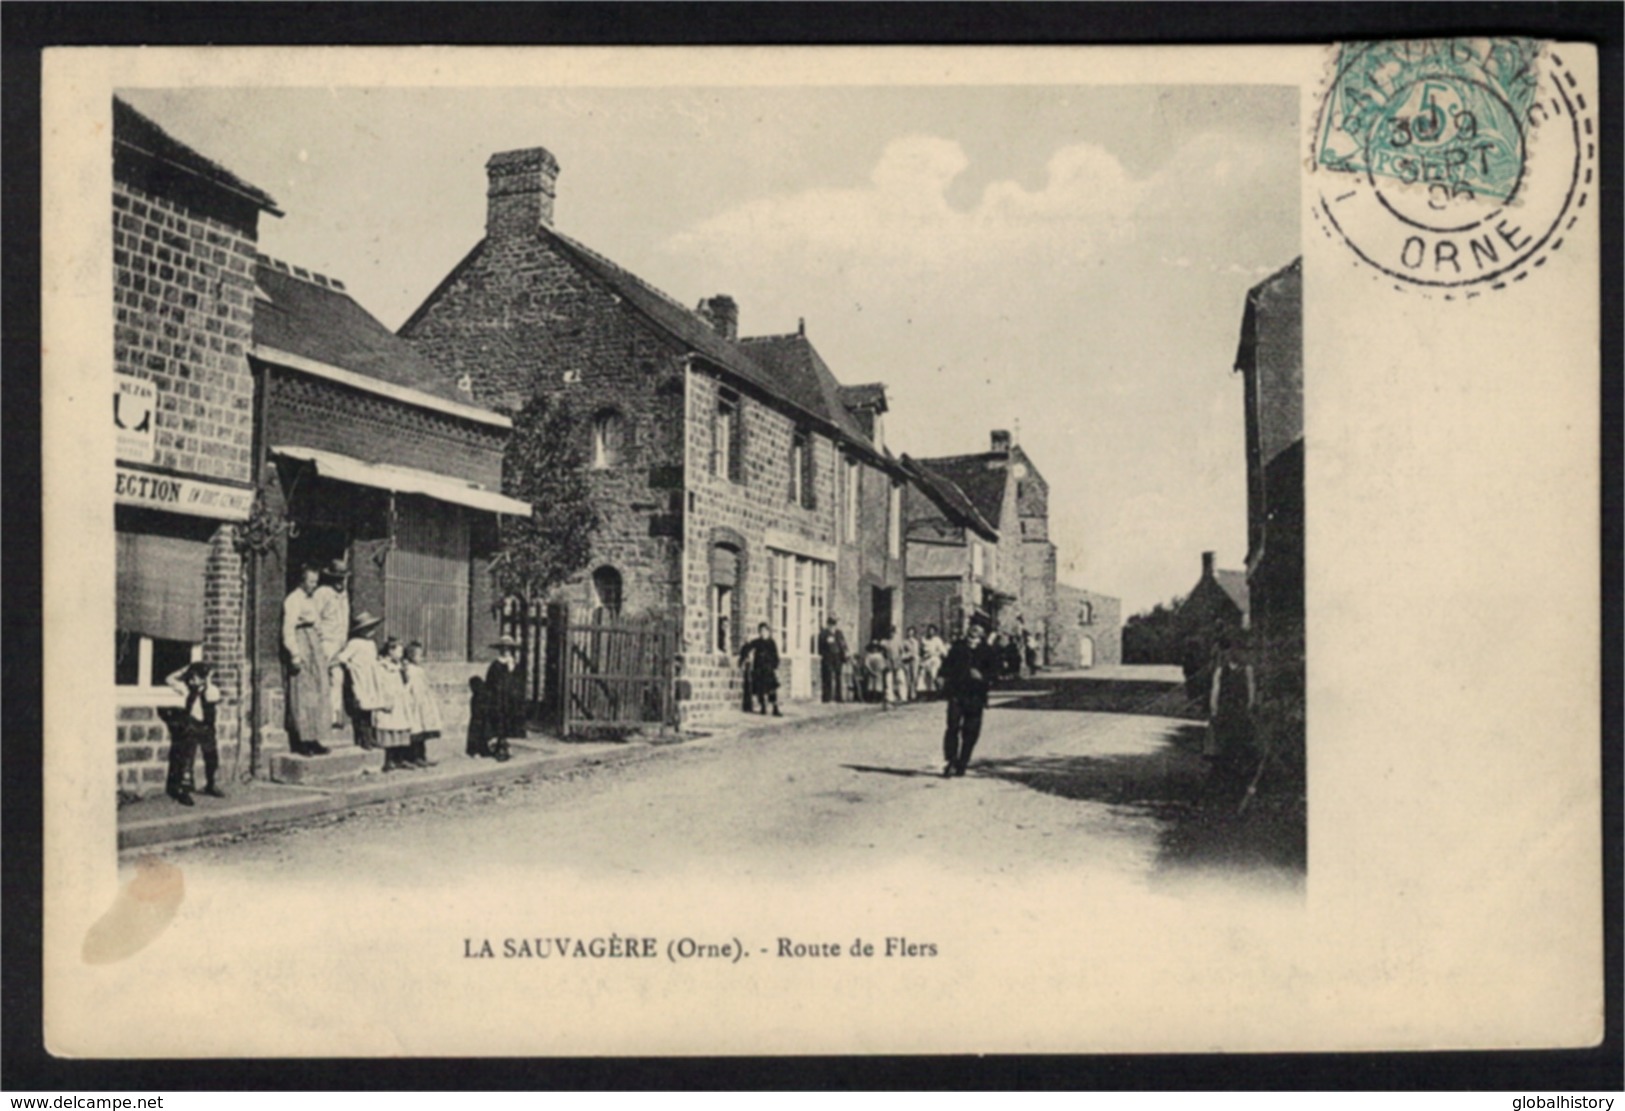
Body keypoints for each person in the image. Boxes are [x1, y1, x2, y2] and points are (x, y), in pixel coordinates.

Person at [281, 565, 331, 757]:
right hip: (302, 643)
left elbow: (317, 624)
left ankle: (315, 738)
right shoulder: (293, 600)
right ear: (302, 581)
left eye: (316, 582)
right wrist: (294, 653)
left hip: (314, 645)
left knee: (318, 692)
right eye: (311, 582)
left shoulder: (311, 600)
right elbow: (288, 629)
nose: (314, 585)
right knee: (303, 693)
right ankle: (302, 741)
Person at [939, 619, 999, 777]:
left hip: (976, 696)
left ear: (982, 635)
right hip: (957, 694)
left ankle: (963, 762)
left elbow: (995, 673)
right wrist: (941, 676)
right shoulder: (958, 647)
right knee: (952, 726)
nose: (973, 634)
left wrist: (982, 677)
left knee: (970, 731)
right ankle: (951, 760)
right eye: (972, 630)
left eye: (977, 631)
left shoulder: (988, 651)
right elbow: (946, 665)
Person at [163, 661, 221, 805]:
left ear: (203, 678)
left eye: (195, 678)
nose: (191, 680)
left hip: (207, 727)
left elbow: (210, 697)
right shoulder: (186, 689)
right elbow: (169, 679)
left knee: (211, 756)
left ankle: (211, 784)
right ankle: (184, 789)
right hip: (191, 725)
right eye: (190, 678)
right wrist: (185, 669)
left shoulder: (211, 690)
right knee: (186, 758)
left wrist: (206, 679)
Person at [1207, 635, 1257, 797]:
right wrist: (1214, 708)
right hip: (1225, 709)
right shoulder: (1221, 669)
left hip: (1239, 709)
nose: (1234, 654)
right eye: (1231, 651)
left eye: (1238, 651)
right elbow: (1215, 689)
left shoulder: (1247, 669)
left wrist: (1249, 705)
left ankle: (1237, 776)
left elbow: (1251, 688)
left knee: (1240, 742)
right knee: (1223, 741)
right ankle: (1223, 775)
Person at [335, 611, 389, 753]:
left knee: (370, 709)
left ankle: (371, 737)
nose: (371, 631)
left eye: (372, 627)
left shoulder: (371, 644)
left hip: (370, 679)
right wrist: (350, 667)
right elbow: (342, 658)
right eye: (367, 628)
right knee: (361, 709)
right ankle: (362, 739)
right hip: (359, 679)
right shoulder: (354, 643)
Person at [313, 558, 351, 729]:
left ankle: (334, 716)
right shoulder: (322, 593)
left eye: (342, 577)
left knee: (337, 678)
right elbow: (315, 617)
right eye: (336, 577)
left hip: (339, 643)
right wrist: (319, 640)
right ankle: (320, 715)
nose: (339, 581)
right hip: (326, 642)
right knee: (321, 678)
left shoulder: (344, 595)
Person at [481, 635, 527, 762]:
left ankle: (504, 743)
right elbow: (490, 682)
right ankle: (499, 746)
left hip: (510, 699)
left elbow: (518, 680)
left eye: (508, 649)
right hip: (498, 699)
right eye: (503, 648)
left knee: (509, 720)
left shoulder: (514, 664)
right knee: (499, 722)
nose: (506, 651)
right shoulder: (495, 665)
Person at [402, 640, 442, 768]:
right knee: (415, 731)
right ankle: (414, 757)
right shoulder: (409, 670)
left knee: (423, 730)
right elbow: (409, 687)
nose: (422, 658)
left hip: (423, 703)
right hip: (414, 703)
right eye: (419, 655)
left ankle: (422, 755)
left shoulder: (419, 670)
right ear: (411, 656)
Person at [738, 622, 782, 716]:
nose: (763, 633)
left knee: (772, 689)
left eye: (765, 631)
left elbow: (776, 656)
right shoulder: (758, 642)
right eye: (761, 631)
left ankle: (775, 708)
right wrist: (743, 656)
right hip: (759, 669)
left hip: (769, 669)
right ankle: (763, 707)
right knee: (760, 689)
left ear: (768, 632)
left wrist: (775, 666)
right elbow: (748, 647)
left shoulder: (771, 643)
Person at [817, 616, 848, 703]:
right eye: (831, 624)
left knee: (838, 676)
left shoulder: (839, 633)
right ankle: (827, 697)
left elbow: (843, 644)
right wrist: (824, 655)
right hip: (828, 657)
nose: (833, 626)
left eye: (834, 624)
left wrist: (845, 653)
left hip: (838, 657)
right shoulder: (823, 634)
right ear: (828, 624)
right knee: (827, 676)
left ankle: (839, 697)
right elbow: (820, 647)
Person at [917, 623, 946, 698]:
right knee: (923, 676)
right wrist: (922, 658)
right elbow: (921, 651)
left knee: (933, 675)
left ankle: (936, 693)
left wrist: (935, 654)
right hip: (925, 660)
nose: (930, 632)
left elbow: (942, 651)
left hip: (934, 659)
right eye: (929, 630)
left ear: (935, 632)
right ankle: (924, 693)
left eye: (932, 631)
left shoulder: (937, 640)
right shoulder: (924, 639)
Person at [897, 626, 920, 702]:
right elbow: (902, 652)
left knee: (914, 676)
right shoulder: (904, 642)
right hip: (907, 660)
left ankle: (914, 694)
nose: (910, 633)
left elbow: (916, 651)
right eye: (908, 632)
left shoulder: (915, 642)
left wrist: (914, 655)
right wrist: (906, 656)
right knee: (908, 676)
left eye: (911, 632)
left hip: (915, 660)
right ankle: (909, 694)